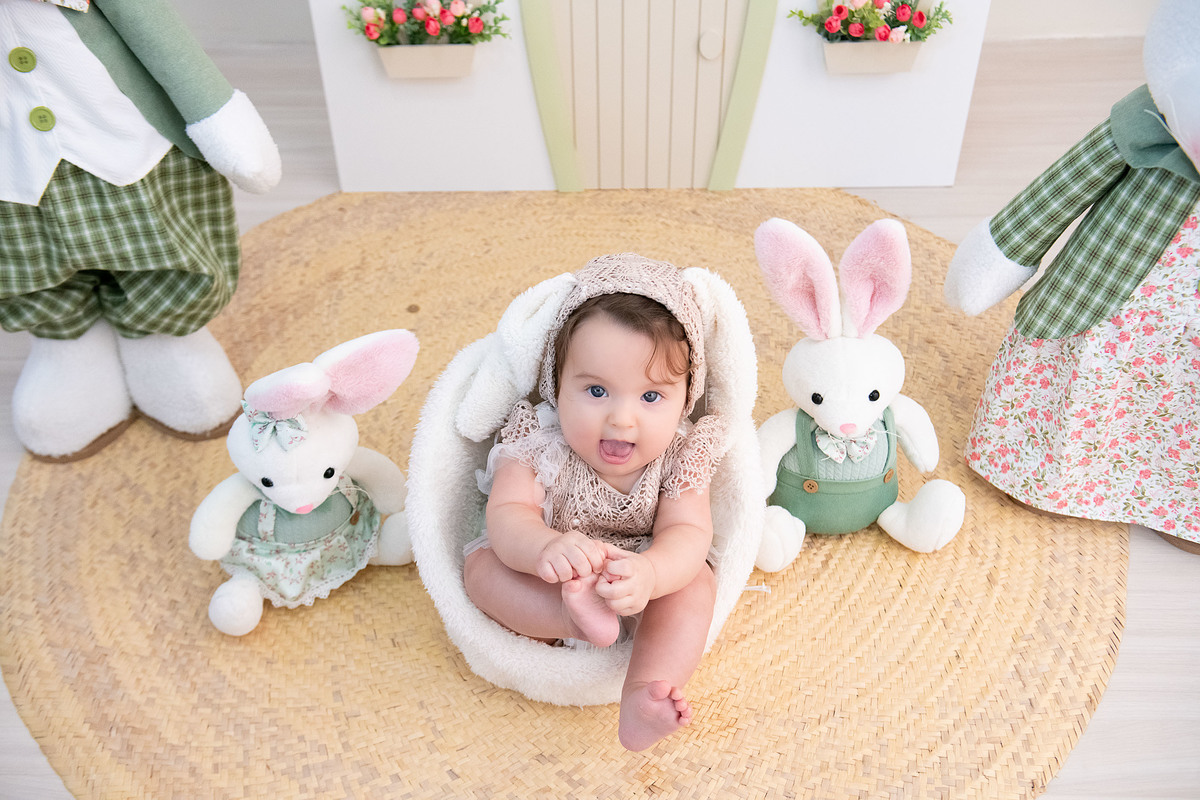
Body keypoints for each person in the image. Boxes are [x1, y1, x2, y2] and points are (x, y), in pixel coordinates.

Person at [462, 255, 726, 751]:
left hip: (640, 580)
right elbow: (508, 513)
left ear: (685, 399)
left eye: (651, 397)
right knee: (482, 571)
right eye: (597, 390)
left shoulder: (683, 452)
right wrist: (543, 547)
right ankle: (571, 619)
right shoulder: (537, 438)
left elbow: (687, 532)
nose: (622, 419)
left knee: (695, 583)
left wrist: (652, 574)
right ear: (556, 386)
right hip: (550, 581)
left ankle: (644, 690)